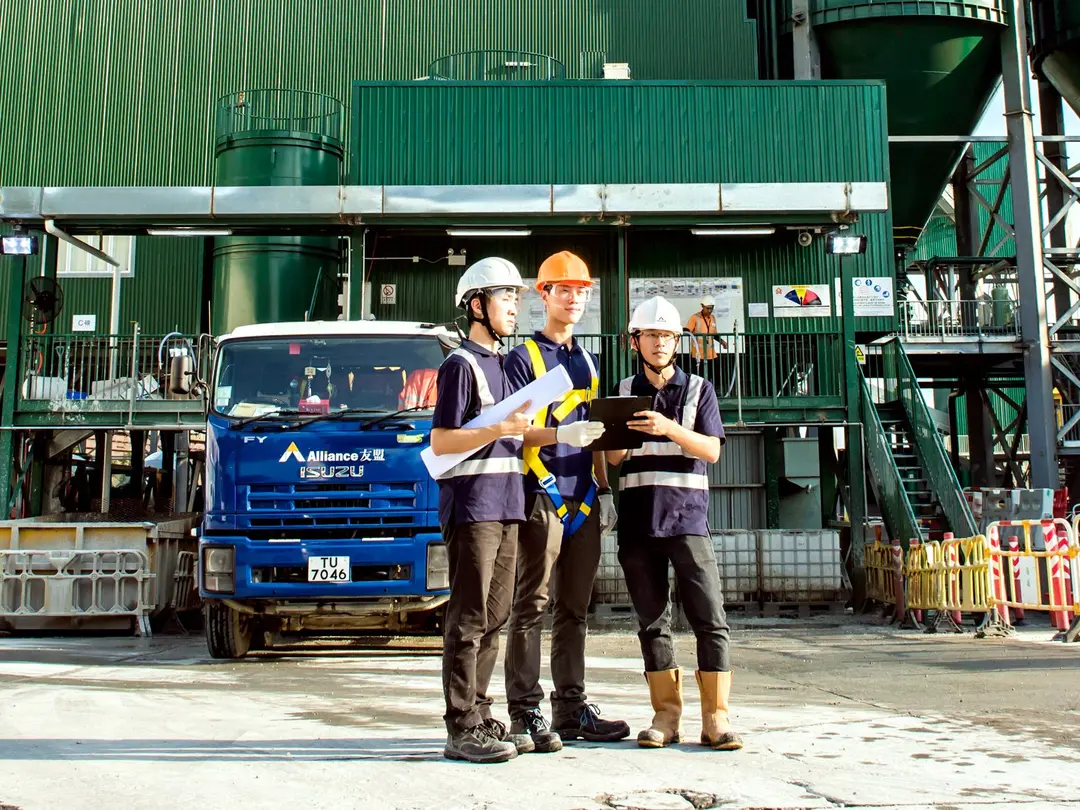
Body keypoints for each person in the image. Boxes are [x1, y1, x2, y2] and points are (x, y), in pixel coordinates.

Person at [605, 295, 744, 752]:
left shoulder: (700, 390)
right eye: (651, 335)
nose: (659, 343)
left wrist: (668, 428)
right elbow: (614, 459)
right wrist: (619, 434)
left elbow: (711, 451)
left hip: (687, 519)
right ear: (635, 340)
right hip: (639, 522)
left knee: (710, 618)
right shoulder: (623, 390)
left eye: (666, 335)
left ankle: (716, 718)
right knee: (651, 621)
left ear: (677, 341)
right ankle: (665, 716)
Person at [503, 251, 628, 753]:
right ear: (544, 295)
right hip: (540, 492)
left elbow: (594, 436)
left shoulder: (587, 359)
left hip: (585, 497)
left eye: (582, 291)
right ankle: (525, 709)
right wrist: (560, 433)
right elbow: (513, 431)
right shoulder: (523, 359)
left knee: (575, 607)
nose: (575, 298)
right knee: (531, 604)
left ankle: (571, 707)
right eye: (565, 290)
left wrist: (605, 487)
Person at [429, 257, 535, 764]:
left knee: (495, 617)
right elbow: (443, 440)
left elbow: (512, 434)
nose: (515, 307)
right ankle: (460, 724)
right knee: (469, 618)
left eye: (517, 298)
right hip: (473, 509)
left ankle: (481, 710)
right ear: (476, 305)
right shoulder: (460, 365)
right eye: (505, 297)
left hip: (508, 504)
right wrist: (497, 428)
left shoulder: (503, 364)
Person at [685, 295, 727, 384]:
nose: (709, 311)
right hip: (698, 354)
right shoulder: (695, 318)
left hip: (711, 354)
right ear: (702, 306)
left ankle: (711, 394)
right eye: (707, 308)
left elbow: (714, 335)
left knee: (713, 376)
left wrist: (722, 342)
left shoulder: (713, 318)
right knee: (698, 378)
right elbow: (687, 331)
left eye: (711, 308)